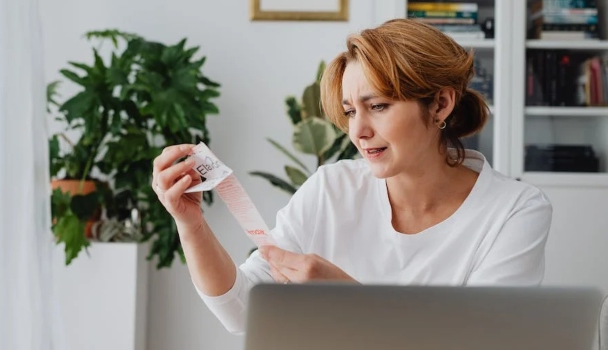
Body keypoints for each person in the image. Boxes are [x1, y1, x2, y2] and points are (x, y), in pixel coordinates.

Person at [150, 18, 552, 335]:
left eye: (377, 106)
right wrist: (191, 224)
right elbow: (242, 311)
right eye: (349, 111)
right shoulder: (331, 188)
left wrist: (348, 299)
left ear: (441, 104)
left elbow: (485, 341)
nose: (357, 131)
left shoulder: (514, 210)